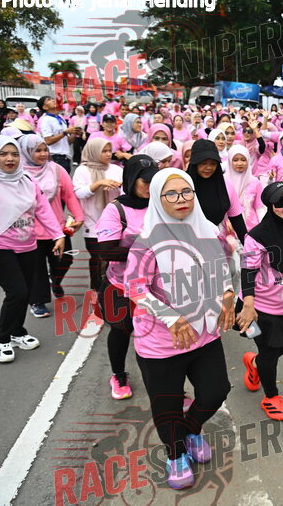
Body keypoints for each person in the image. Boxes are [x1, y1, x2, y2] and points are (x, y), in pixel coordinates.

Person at [124, 168, 234, 490]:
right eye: (170, 194)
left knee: (216, 391)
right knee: (168, 407)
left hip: (204, 332)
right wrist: (171, 318)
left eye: (186, 192)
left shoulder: (208, 230)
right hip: (161, 342)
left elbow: (223, 270)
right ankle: (175, 454)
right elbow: (135, 288)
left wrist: (228, 294)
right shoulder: (147, 242)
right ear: (157, 199)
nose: (181, 199)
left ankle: (191, 430)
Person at [0, 136, 65, 363]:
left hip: (28, 245)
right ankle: (1, 339)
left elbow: (43, 209)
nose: (10, 159)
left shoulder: (27, 180)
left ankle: (17, 332)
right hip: (0, 247)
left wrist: (58, 234)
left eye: (14, 154)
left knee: (27, 291)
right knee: (17, 293)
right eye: (3, 154)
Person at [239, 181, 283, 420]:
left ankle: (255, 364)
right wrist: (248, 305)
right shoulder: (258, 235)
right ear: (270, 206)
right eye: (280, 201)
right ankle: (270, 397)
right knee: (269, 352)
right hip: (259, 307)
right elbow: (247, 270)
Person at [95, 155, 158, 399]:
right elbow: (106, 251)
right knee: (121, 331)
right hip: (119, 285)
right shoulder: (116, 209)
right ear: (131, 180)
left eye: (154, 181)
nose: (150, 187)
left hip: (157, 287)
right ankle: (118, 375)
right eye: (145, 182)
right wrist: (146, 251)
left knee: (156, 336)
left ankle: (166, 385)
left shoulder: (162, 204)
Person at [19, 135, 84, 317]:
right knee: (36, 268)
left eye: (45, 150)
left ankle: (55, 281)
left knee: (64, 260)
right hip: (29, 231)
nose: (43, 154)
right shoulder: (18, 173)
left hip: (56, 229)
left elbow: (69, 194)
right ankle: (38, 302)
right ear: (26, 152)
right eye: (37, 151)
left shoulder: (56, 170)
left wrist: (79, 216)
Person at [72, 138, 123, 295]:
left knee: (111, 258)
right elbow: (79, 192)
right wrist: (99, 184)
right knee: (97, 257)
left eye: (109, 151)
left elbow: (126, 192)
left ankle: (110, 290)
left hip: (114, 223)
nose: (108, 154)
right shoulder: (83, 170)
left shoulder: (117, 169)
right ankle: (96, 289)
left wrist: (119, 186)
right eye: (104, 151)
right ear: (93, 152)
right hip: (92, 222)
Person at [186, 139, 247, 244]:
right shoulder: (183, 185)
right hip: (188, 240)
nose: (209, 168)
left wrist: (248, 245)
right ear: (195, 163)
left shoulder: (225, 185)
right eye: (203, 163)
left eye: (213, 163)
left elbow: (237, 220)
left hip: (217, 240)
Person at [38, 96, 80, 173]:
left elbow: (68, 142)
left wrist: (74, 133)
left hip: (66, 157)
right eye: (49, 100)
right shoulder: (46, 120)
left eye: (52, 99)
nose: (53, 100)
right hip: (55, 157)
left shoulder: (60, 117)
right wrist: (65, 132)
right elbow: (48, 141)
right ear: (45, 107)